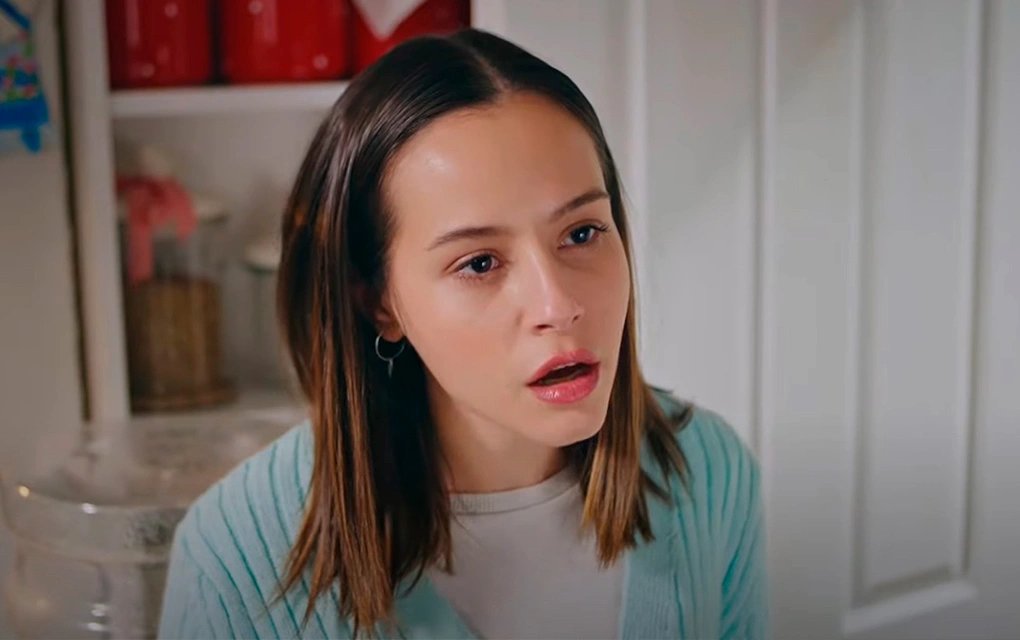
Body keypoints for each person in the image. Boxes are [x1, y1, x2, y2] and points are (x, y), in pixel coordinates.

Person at [158, 28, 768, 640]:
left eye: (581, 233)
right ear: (378, 302)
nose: (558, 305)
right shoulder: (235, 562)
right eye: (479, 263)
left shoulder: (709, 475)